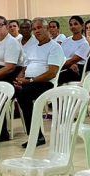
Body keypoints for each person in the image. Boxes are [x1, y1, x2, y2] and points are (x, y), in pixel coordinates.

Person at [13, 18, 64, 147]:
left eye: (39, 27)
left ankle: (36, 136)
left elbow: (52, 73)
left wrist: (29, 81)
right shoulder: (32, 48)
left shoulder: (55, 47)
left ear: (47, 29)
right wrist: (19, 79)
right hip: (29, 81)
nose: (37, 31)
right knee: (9, 90)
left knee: (23, 95)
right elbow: (25, 68)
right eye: (34, 29)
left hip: (46, 83)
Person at [59, 15, 90, 84]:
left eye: (75, 24)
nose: (73, 26)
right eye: (71, 25)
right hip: (65, 66)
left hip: (76, 70)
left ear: (82, 26)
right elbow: (59, 54)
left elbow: (73, 60)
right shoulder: (66, 40)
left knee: (56, 77)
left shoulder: (84, 44)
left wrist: (57, 67)